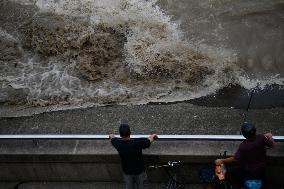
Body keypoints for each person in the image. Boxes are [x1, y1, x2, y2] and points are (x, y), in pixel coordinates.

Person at [215, 122, 275, 189]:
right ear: (255, 131)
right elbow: (271, 144)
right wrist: (269, 136)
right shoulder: (261, 138)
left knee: (233, 174)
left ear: (244, 134)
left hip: (249, 172)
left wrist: (222, 160)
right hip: (261, 169)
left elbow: (235, 159)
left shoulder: (243, 146)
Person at [109, 123, 158, 189]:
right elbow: (149, 141)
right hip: (139, 171)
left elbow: (112, 139)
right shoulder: (137, 143)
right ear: (130, 133)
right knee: (142, 186)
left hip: (127, 171)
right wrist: (153, 135)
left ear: (120, 135)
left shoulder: (118, 144)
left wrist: (111, 136)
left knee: (129, 186)